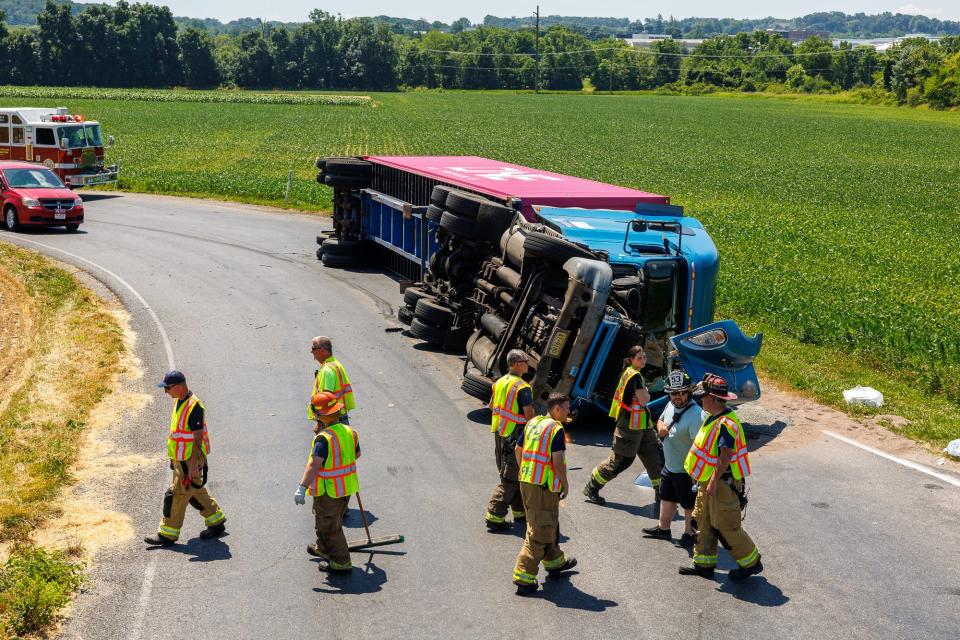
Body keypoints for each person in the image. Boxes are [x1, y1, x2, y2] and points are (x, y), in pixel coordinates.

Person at [679, 374, 763, 580]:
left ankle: (751, 563)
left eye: (703, 397)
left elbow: (726, 455)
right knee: (704, 520)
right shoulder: (713, 417)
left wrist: (714, 482)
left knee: (727, 525)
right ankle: (703, 564)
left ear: (712, 399)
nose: (700, 400)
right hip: (708, 480)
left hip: (720, 483)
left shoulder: (726, 424)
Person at [144, 371, 226, 546]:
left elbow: (197, 438)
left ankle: (167, 534)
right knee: (195, 491)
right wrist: (174, 460)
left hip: (190, 459)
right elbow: (178, 434)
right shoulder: (179, 401)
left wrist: (195, 465)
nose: (165, 391)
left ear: (179, 386)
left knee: (177, 495)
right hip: (181, 459)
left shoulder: (194, 406)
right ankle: (216, 521)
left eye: (167, 388)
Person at [512, 393, 577, 596]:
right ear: (556, 409)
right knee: (539, 530)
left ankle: (555, 563)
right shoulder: (556, 429)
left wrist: (525, 469)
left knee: (548, 522)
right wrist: (565, 483)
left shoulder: (533, 423)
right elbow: (557, 462)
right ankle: (523, 577)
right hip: (543, 486)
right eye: (566, 408)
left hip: (528, 481)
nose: (569, 411)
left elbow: (518, 448)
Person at [582, 345, 662, 507]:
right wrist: (646, 393)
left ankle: (662, 495)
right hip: (629, 426)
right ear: (631, 359)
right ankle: (592, 487)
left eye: (645, 357)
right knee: (621, 461)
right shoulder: (634, 376)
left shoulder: (632, 373)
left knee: (656, 458)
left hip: (642, 425)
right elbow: (645, 400)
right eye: (639, 357)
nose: (643, 360)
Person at [295, 391, 360, 575]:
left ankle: (341, 561)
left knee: (329, 526)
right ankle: (323, 548)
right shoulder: (350, 432)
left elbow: (314, 465)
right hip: (346, 488)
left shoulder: (323, 439)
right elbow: (356, 454)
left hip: (328, 491)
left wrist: (302, 487)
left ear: (320, 416)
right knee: (324, 520)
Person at [642, 370, 704, 548]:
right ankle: (664, 529)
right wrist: (660, 426)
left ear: (689, 392)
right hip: (670, 466)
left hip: (686, 470)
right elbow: (661, 419)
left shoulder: (696, 415)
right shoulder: (670, 405)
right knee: (666, 496)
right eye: (673, 393)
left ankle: (689, 533)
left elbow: (698, 447)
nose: (677, 397)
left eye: (681, 393)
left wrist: (694, 473)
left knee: (688, 504)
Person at [484, 349, 535, 531]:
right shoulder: (522, 387)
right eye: (525, 360)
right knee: (511, 478)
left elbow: (491, 406)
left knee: (513, 474)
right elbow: (529, 416)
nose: (528, 363)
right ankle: (494, 516)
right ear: (515, 364)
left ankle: (520, 513)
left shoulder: (499, 382)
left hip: (501, 433)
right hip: (515, 437)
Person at [309, 336, 355, 424]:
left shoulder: (327, 370)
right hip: (339, 414)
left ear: (322, 350)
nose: (312, 352)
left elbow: (326, 400)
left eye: (313, 348)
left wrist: (319, 422)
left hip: (331, 419)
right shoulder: (335, 364)